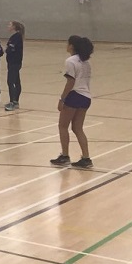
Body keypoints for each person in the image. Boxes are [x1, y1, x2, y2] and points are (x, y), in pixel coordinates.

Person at [50, 36, 94, 169]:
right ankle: (86, 158)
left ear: (72, 46)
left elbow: (71, 82)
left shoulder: (71, 61)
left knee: (62, 126)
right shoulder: (86, 62)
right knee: (77, 128)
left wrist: (62, 98)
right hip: (86, 97)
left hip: (74, 95)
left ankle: (65, 156)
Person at [4, 20, 25, 111]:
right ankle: (15, 101)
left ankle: (13, 102)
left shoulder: (16, 37)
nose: (8, 26)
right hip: (12, 62)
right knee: (16, 81)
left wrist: (7, 49)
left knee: (11, 81)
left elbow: (10, 49)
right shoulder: (14, 36)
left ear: (14, 27)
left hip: (14, 62)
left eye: (10, 25)